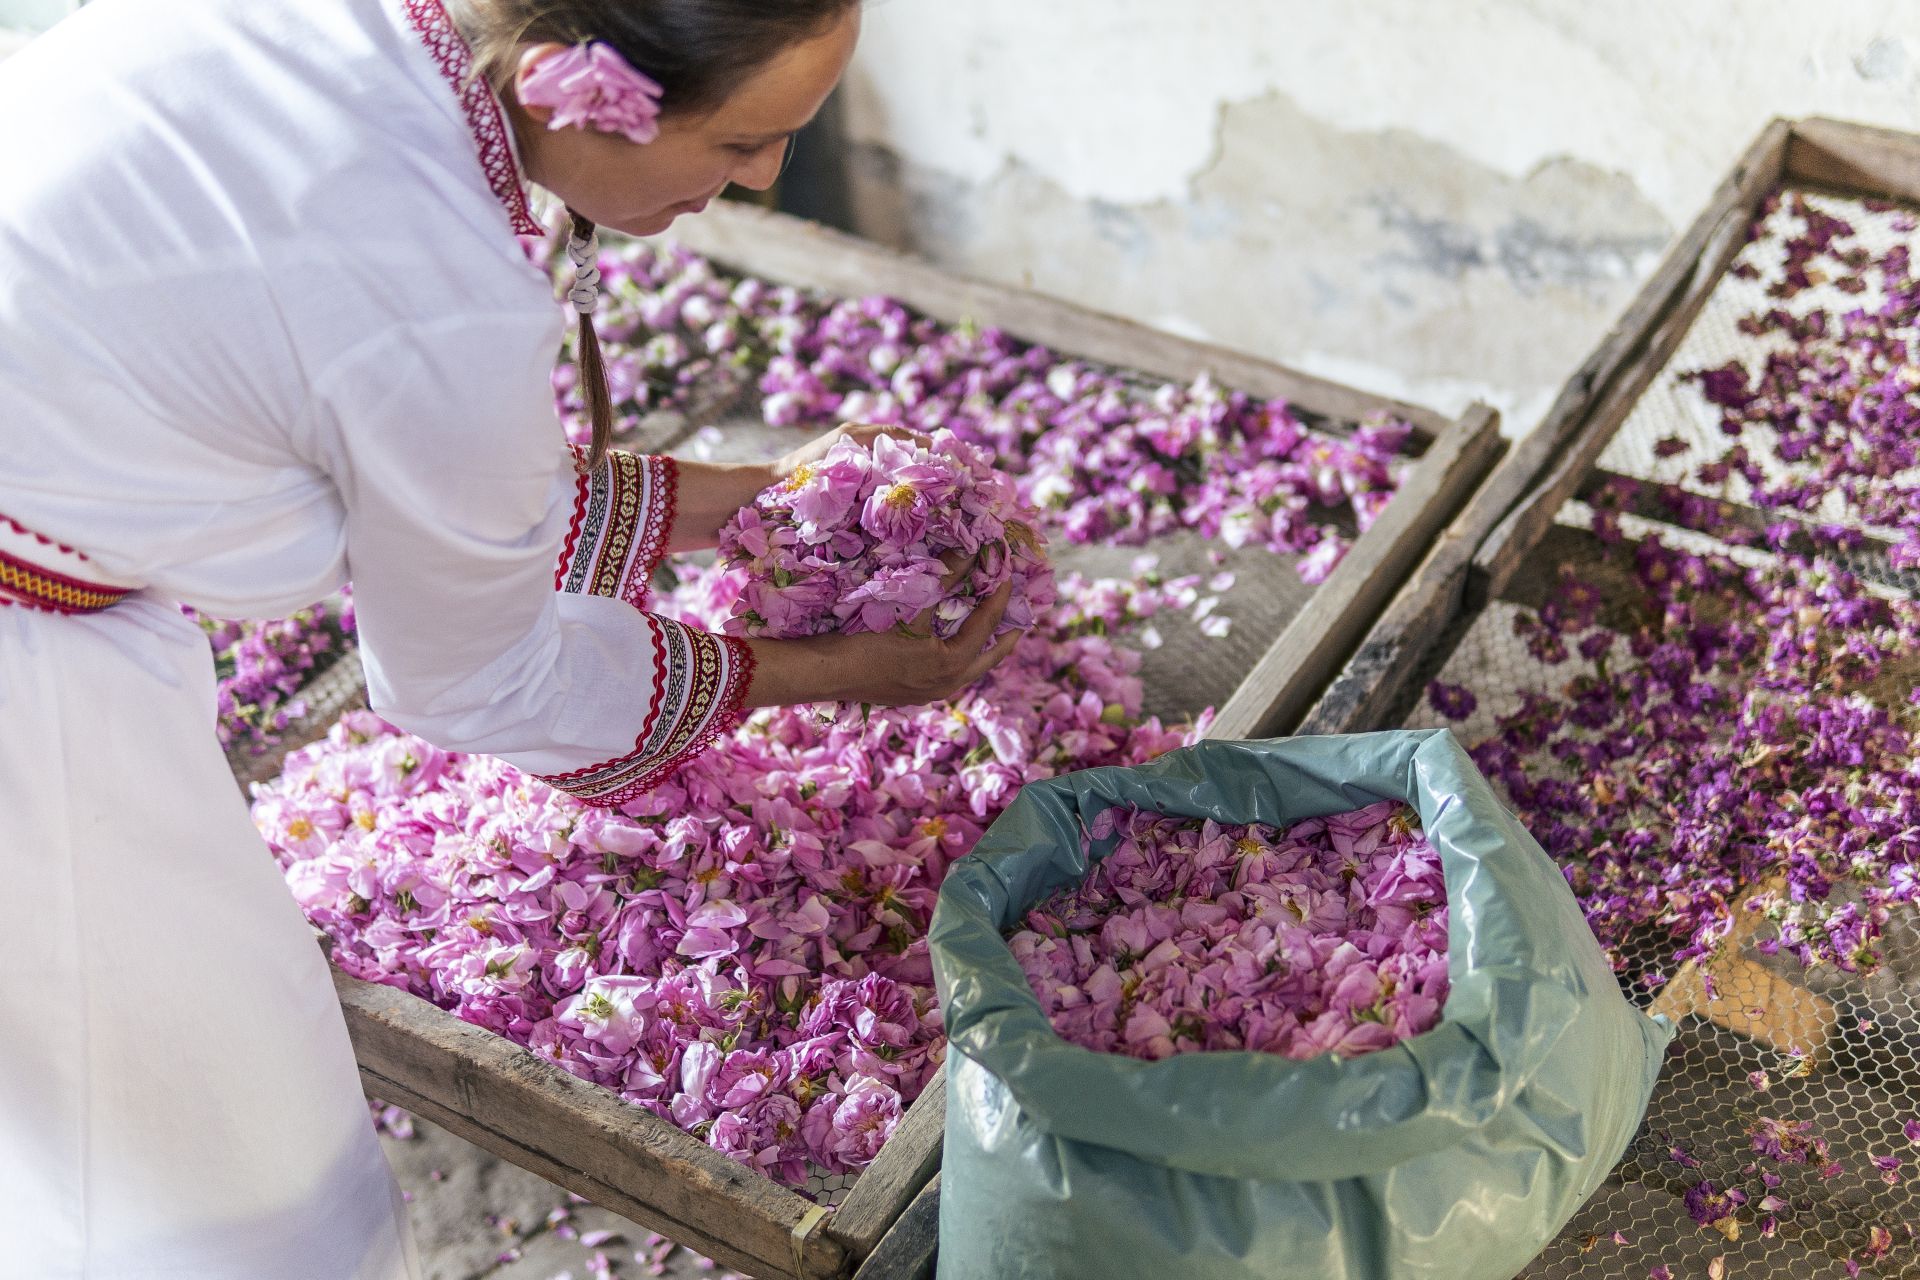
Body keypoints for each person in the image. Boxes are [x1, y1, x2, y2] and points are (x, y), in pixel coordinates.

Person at [0, 1, 1020, 1275]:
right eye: (740, 140)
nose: (764, 178)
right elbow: (473, 673)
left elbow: (409, 455)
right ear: (574, 86)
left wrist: (779, 496)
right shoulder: (439, 292)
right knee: (197, 1152)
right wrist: (838, 672)